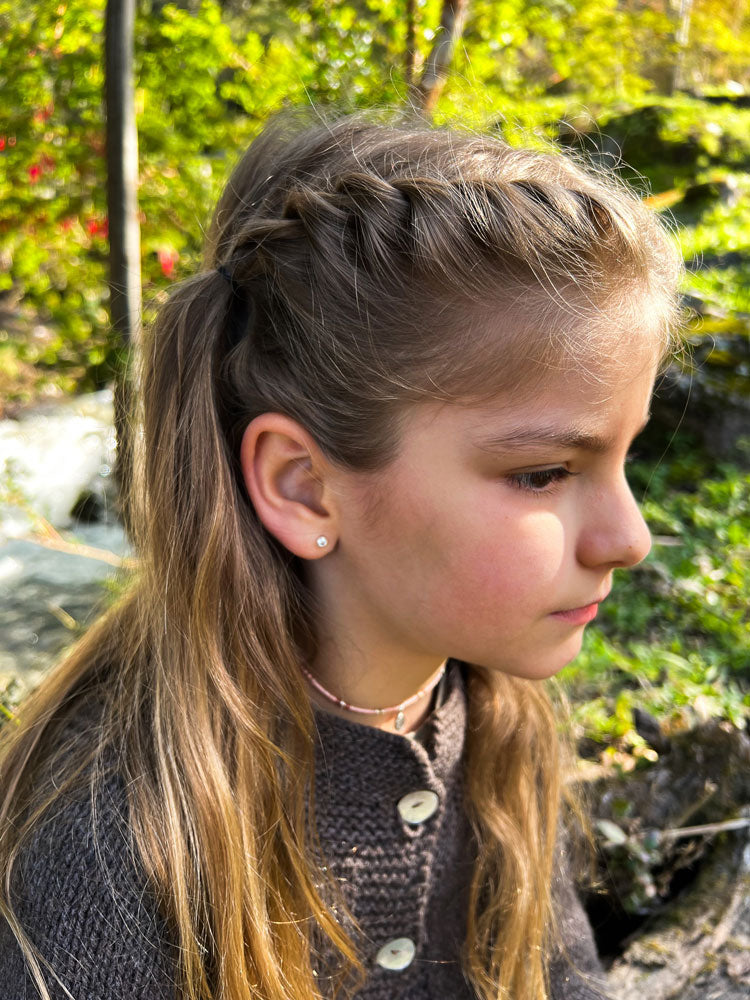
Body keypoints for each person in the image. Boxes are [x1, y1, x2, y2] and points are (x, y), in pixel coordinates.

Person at [0, 110, 682, 1000]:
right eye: (544, 473)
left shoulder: (496, 724)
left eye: (626, 454)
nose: (629, 538)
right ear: (305, 488)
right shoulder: (108, 853)